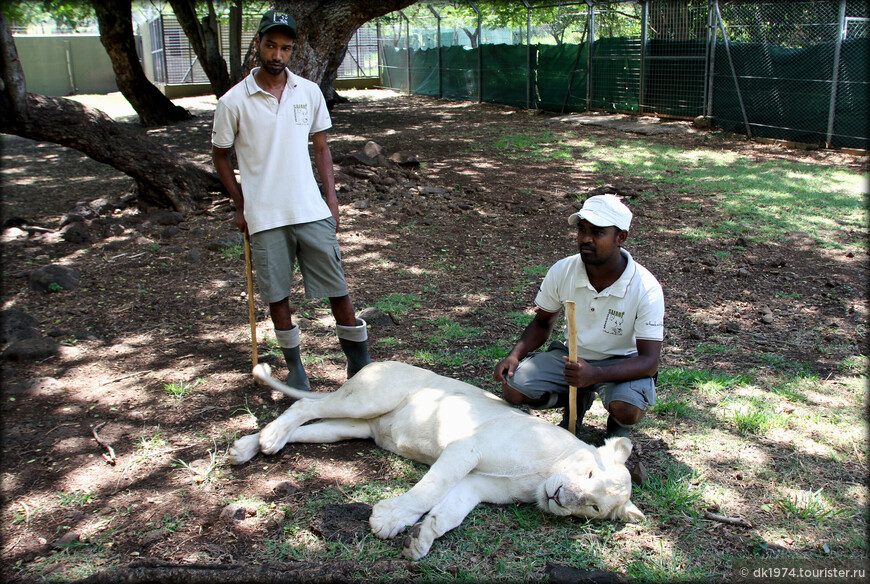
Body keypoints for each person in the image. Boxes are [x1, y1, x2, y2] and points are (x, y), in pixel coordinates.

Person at [211, 10, 370, 388]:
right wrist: (239, 203)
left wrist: (331, 199)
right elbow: (220, 154)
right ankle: (296, 370)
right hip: (264, 215)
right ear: (259, 45)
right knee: (277, 294)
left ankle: (360, 366)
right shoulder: (233, 101)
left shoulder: (309, 91)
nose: (277, 55)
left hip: (310, 209)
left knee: (338, 288)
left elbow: (321, 147)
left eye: (285, 48)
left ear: (291, 51)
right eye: (271, 45)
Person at [493, 194, 664, 440]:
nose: (585, 239)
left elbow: (649, 361)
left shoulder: (645, 287)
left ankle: (617, 425)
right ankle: (576, 400)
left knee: (628, 409)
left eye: (597, 232)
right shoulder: (563, 270)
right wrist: (514, 355)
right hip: (571, 358)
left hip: (622, 362)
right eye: (582, 230)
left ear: (621, 238)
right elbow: (542, 322)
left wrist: (596, 375)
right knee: (513, 389)